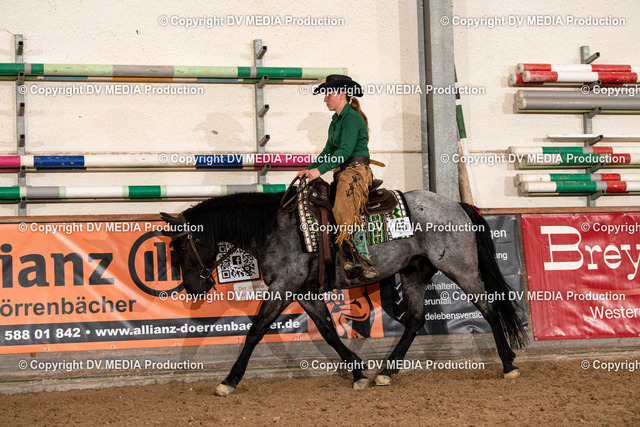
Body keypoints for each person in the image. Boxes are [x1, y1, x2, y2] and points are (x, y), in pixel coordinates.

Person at [296, 74, 378, 280]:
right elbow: (328, 151)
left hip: (356, 171)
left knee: (342, 208)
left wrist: (319, 171)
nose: (325, 99)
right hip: (343, 171)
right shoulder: (336, 121)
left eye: (328, 94)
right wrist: (310, 169)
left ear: (341, 94)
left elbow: (344, 151)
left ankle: (364, 259)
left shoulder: (351, 118)